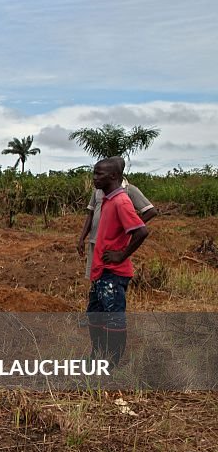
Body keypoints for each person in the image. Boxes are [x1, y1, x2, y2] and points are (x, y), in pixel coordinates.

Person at [85, 157, 150, 369]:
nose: (94, 178)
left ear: (113, 176)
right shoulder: (107, 199)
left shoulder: (122, 201)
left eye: (98, 174)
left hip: (113, 273)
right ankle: (96, 354)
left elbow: (141, 231)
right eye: (94, 173)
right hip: (101, 271)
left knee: (113, 318)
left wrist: (121, 254)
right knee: (95, 315)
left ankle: (111, 364)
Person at [77, 169, 157, 279]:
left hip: (112, 244)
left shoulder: (128, 190)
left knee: (110, 278)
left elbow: (151, 211)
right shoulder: (98, 190)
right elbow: (91, 213)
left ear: (113, 175)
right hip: (95, 240)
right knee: (95, 276)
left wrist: (128, 227)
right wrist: (82, 238)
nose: (95, 177)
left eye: (100, 173)